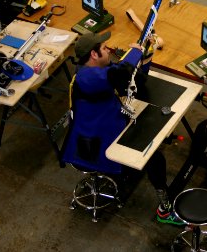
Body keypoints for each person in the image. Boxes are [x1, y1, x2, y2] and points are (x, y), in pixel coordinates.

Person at [61, 32, 183, 225]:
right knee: (155, 158)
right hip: (96, 144)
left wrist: (146, 54)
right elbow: (122, 72)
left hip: (110, 124)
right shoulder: (87, 77)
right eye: (103, 48)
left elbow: (134, 81)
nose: (108, 49)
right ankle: (164, 211)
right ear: (93, 54)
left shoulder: (98, 68)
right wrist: (136, 51)